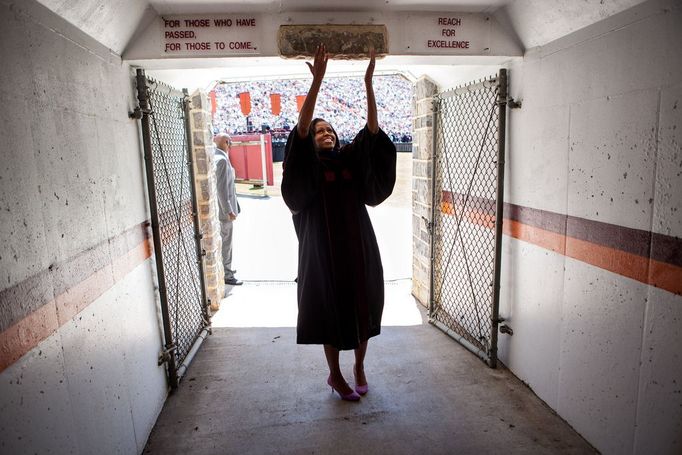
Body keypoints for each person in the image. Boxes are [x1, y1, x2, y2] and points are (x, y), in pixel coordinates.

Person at [281, 44, 397, 401]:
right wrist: (317, 83)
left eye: (330, 129)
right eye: (319, 132)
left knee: (364, 309)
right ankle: (335, 375)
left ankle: (360, 366)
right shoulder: (307, 169)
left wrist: (368, 87)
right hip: (322, 255)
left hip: (358, 249)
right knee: (329, 313)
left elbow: (373, 136)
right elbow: (300, 133)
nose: (326, 133)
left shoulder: (347, 162)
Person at [213, 133, 242, 286]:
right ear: (226, 142)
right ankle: (227, 273)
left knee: (224, 242)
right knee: (226, 243)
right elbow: (222, 189)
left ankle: (226, 269)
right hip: (224, 212)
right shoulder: (223, 160)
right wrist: (229, 210)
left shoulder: (217, 157)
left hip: (222, 210)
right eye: (229, 142)